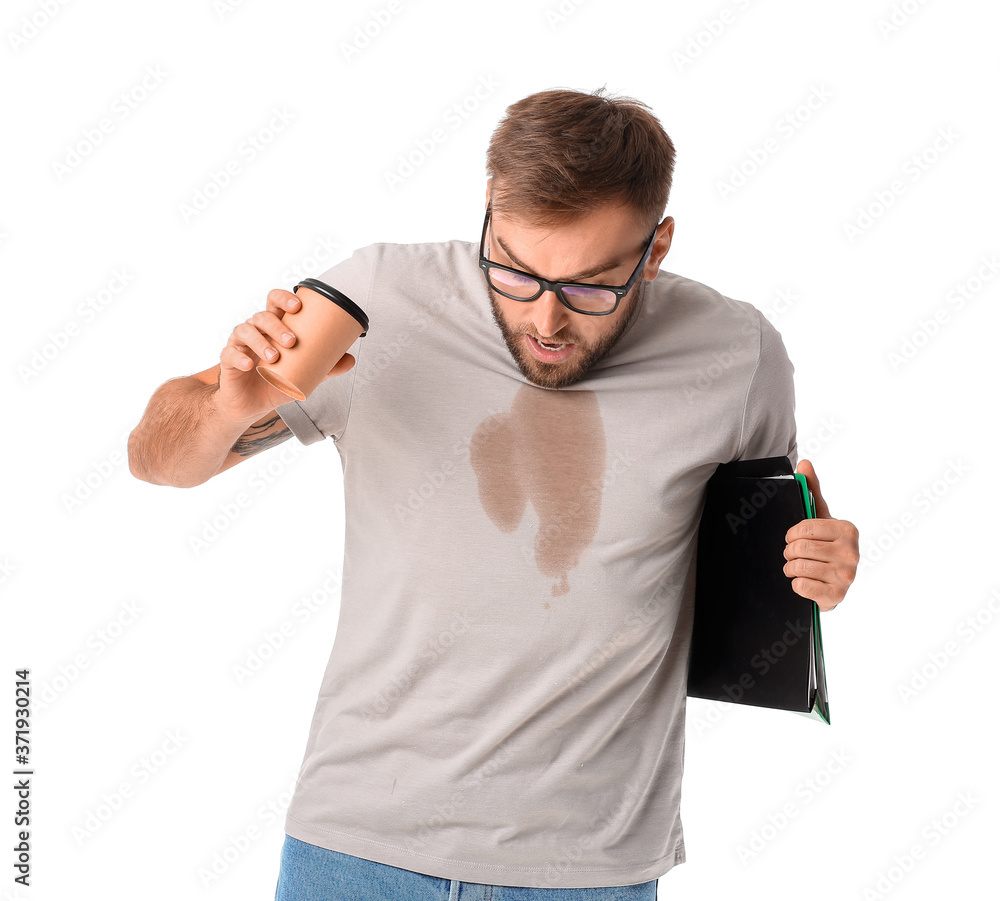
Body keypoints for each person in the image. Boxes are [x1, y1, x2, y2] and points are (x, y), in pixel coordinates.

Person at [128, 88, 860, 900]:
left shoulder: (738, 353)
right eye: (514, 269)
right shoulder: (379, 299)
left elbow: (763, 562)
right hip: (357, 850)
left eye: (590, 287)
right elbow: (158, 459)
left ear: (656, 249)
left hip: (590, 870)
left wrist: (818, 563)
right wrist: (230, 405)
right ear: (489, 209)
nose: (546, 318)